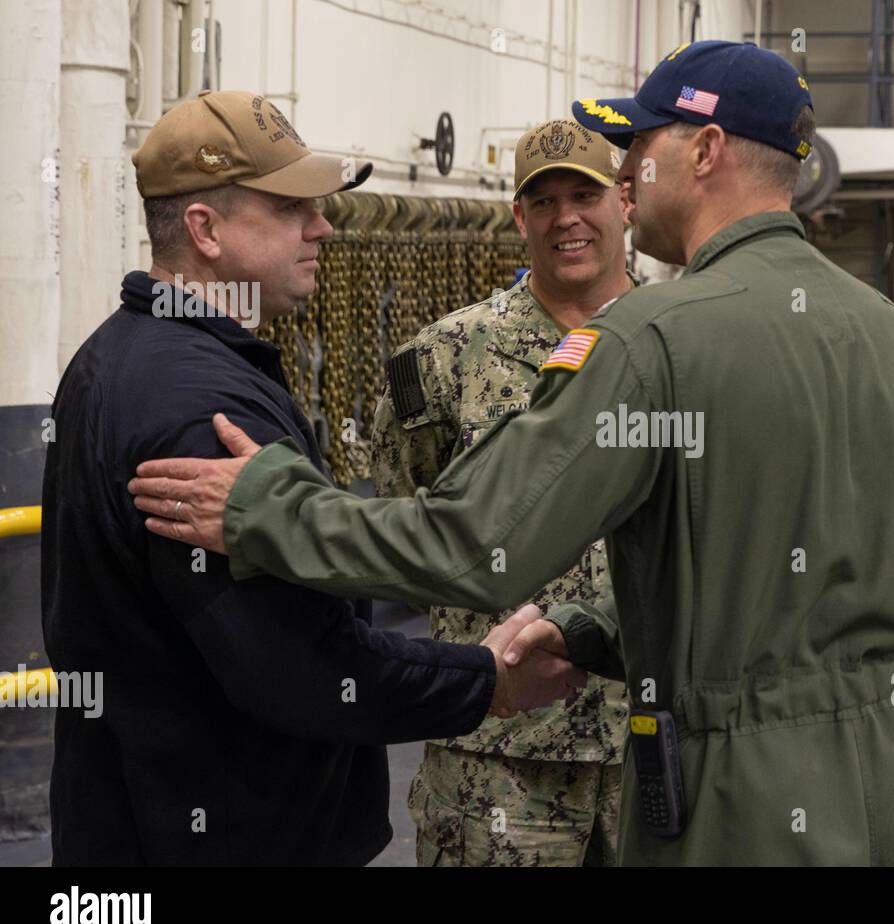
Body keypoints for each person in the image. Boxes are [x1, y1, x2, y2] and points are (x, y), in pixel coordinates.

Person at [129, 43, 894, 866]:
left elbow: (471, 544)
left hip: (751, 799)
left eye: (640, 146)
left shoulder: (653, 339)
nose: (628, 172)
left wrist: (267, 508)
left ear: (704, 150)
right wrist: (599, 631)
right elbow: (798, 587)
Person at [40, 90, 582, 866]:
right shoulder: (204, 411)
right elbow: (303, 667)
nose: (322, 226)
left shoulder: (117, 357)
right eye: (292, 207)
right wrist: (482, 680)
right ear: (205, 229)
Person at [371, 119, 633, 867]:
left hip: (652, 736)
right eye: (542, 201)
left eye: (584, 194)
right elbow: (405, 524)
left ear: (624, 202)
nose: (566, 217)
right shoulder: (445, 359)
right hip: (497, 757)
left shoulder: (681, 342)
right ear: (519, 217)